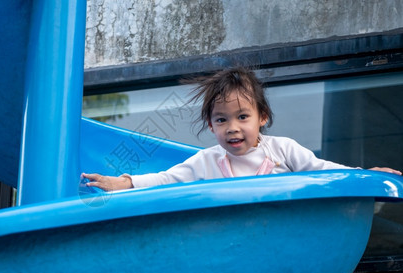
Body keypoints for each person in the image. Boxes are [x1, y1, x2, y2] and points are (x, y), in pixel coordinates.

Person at [82, 67, 401, 191]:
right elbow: (166, 179)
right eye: (221, 120)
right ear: (211, 125)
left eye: (242, 117)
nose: (232, 128)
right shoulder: (206, 162)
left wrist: (363, 174)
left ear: (262, 116)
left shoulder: (282, 149)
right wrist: (121, 181)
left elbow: (322, 170)